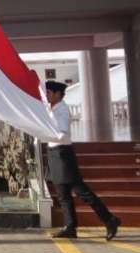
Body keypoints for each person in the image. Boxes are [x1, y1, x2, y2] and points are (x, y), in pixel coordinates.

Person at [45, 81, 120, 240]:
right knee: (63, 195)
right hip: (53, 153)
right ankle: (70, 226)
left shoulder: (62, 110)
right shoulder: (50, 109)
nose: (47, 95)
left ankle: (109, 220)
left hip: (63, 154)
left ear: (58, 94)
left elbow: (63, 133)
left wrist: (46, 133)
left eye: (50, 92)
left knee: (82, 192)